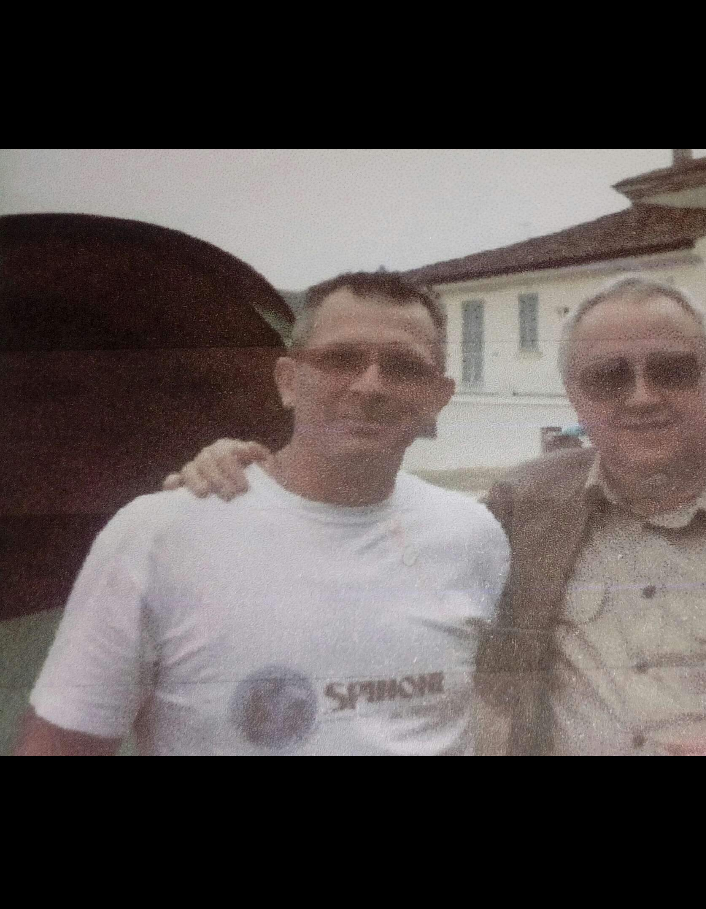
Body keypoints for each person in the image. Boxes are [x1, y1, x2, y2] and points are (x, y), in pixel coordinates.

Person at [166, 277, 706, 758]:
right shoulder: (524, 505)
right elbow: (377, 575)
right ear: (576, 398)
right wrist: (256, 473)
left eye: (670, 370)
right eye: (608, 376)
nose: (642, 396)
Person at [14, 273, 510, 756]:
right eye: (340, 359)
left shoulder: (473, 534)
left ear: (437, 398)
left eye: (403, 367)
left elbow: (488, 712)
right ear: (288, 381)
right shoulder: (160, 535)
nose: (369, 386)